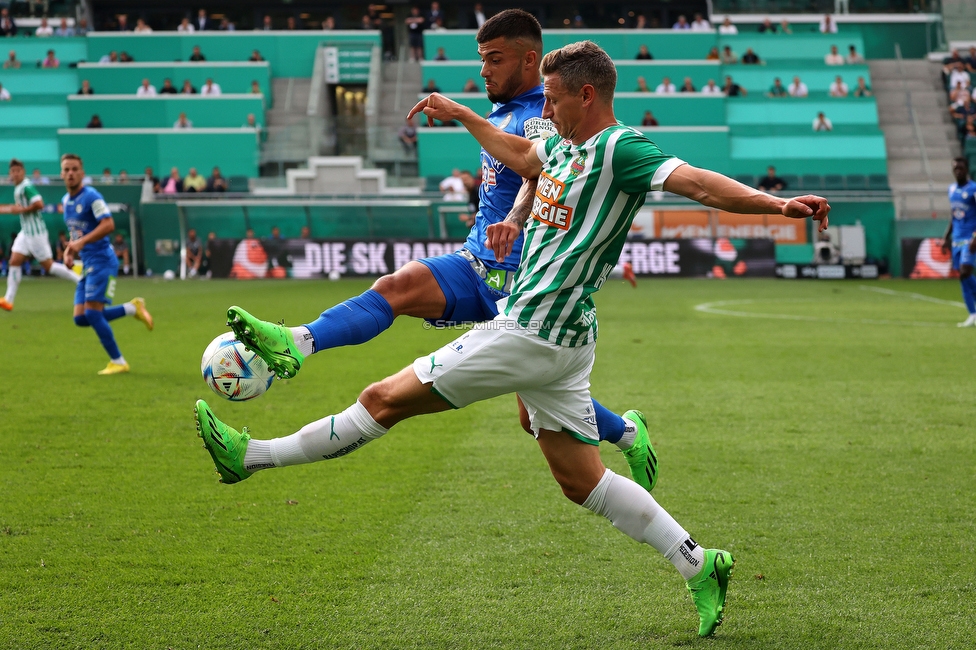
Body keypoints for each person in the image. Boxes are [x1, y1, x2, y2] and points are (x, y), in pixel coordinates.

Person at [202, 38, 828, 641]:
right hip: (566, 338)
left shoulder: (620, 150)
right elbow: (522, 157)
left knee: (382, 399)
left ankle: (250, 457)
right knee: (581, 481)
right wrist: (466, 115)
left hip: (530, 329)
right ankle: (701, 563)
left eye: (553, 101)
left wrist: (777, 207)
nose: (544, 112)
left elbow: (697, 183)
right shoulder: (562, 146)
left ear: (588, 95)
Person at [211, 11, 660, 494]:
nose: (484, 70)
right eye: (482, 59)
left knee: (534, 418)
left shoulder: (544, 114)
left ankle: (628, 431)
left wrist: (512, 220)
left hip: (528, 284)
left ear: (530, 60)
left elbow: (539, 173)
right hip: (477, 263)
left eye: (495, 59)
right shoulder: (504, 108)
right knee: (397, 286)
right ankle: (297, 342)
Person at [0, 158, 81, 312]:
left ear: (23, 172)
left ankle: (80, 281)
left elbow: (39, 204)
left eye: (18, 171)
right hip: (26, 232)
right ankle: (8, 300)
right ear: (10, 173)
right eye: (13, 171)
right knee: (14, 261)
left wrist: (21, 210)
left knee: (49, 266)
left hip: (36, 233)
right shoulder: (18, 188)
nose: (16, 174)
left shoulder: (26, 187)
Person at [943, 158, 976, 327]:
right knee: (962, 278)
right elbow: (953, 214)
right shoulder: (951, 189)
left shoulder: (973, 189)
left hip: (970, 238)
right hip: (956, 238)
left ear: (967, 169)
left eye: (961, 168)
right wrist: (945, 237)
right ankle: (972, 314)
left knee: (965, 272)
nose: (958, 171)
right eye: (955, 168)